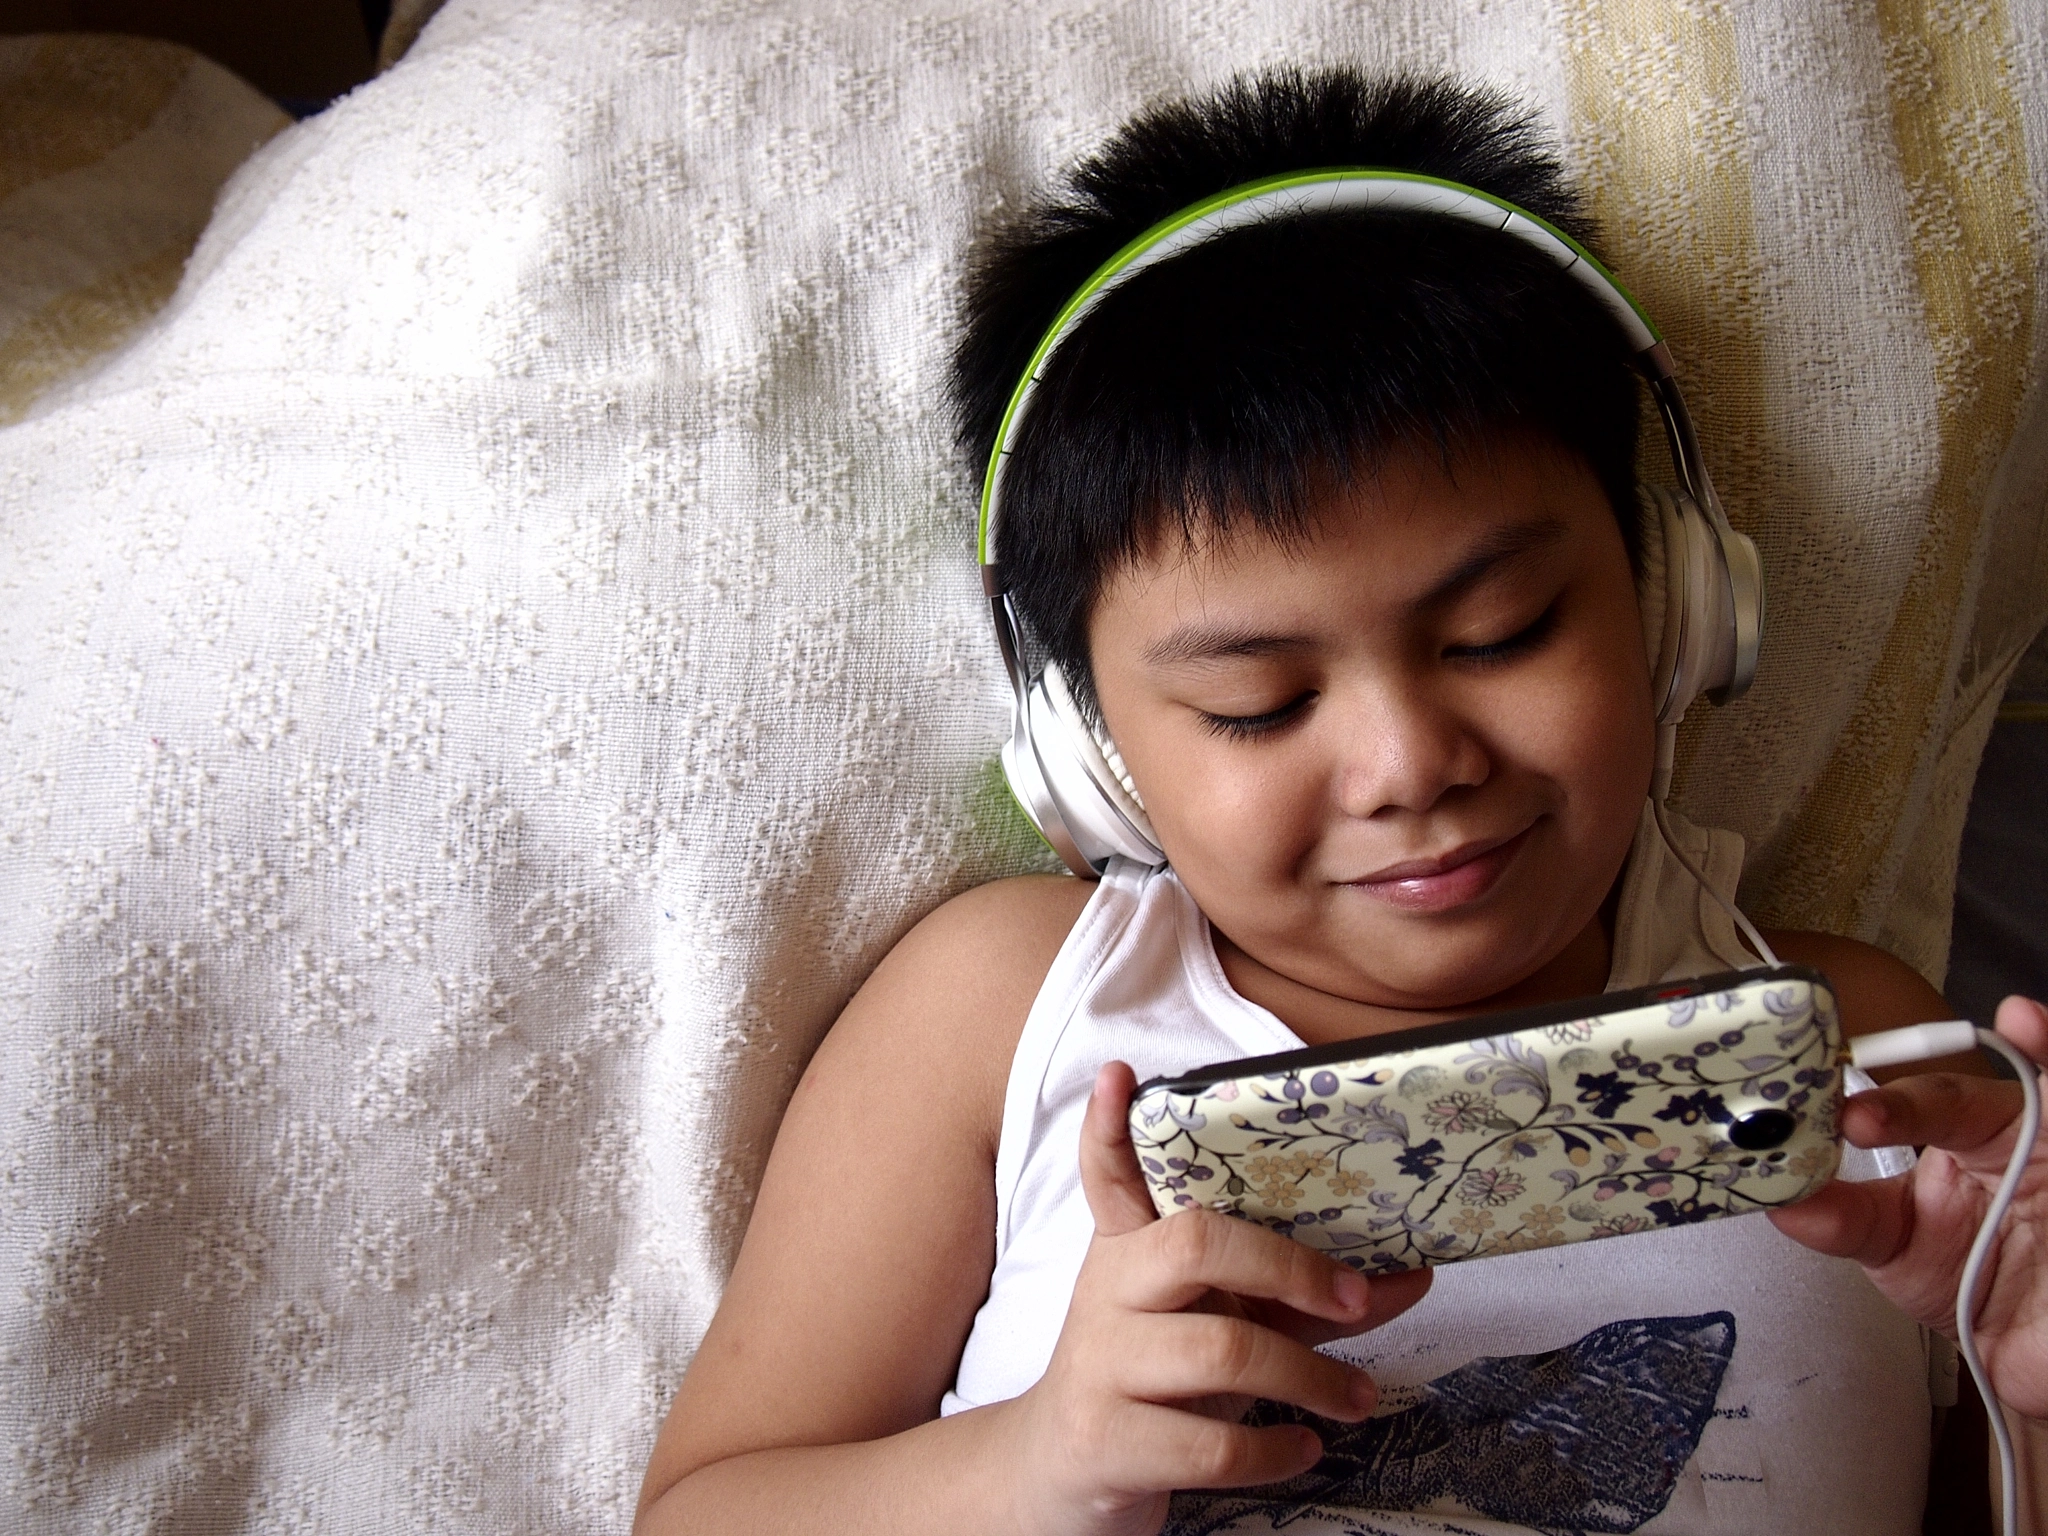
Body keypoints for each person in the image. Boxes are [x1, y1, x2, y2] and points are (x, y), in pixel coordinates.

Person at [634, 68, 2045, 1535]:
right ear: (1089, 750)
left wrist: (2032, 1391)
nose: (1411, 764)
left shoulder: (1871, 1056)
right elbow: (704, 1510)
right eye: (1260, 705)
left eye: (1497, 634)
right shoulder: (1004, 1013)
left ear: (1677, 607)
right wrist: (1039, 1461)